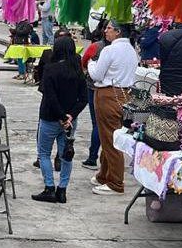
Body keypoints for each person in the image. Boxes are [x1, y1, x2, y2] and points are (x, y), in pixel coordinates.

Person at [32, 36, 87, 204]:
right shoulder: (78, 71)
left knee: (44, 153)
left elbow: (50, 96)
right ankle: (62, 189)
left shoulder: (51, 69)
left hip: (50, 117)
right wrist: (70, 116)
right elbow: (83, 98)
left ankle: (50, 187)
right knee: (66, 155)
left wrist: (62, 116)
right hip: (70, 121)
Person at [87, 21, 138, 196]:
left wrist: (90, 64)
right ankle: (104, 175)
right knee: (111, 135)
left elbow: (96, 75)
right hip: (125, 94)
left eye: (109, 28)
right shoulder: (131, 50)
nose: (105, 31)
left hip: (108, 94)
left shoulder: (110, 50)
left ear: (118, 32)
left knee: (110, 138)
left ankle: (116, 182)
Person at [80, 19, 109, 169]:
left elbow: (84, 62)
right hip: (114, 90)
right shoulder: (125, 49)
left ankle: (92, 157)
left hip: (94, 89)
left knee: (96, 124)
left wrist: (90, 69)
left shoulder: (95, 47)